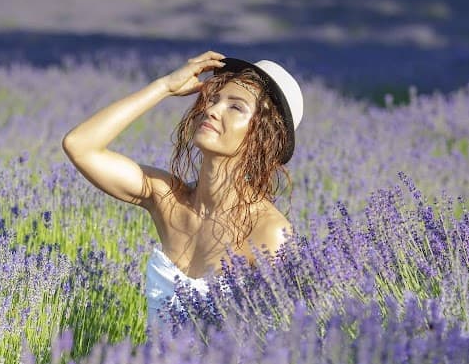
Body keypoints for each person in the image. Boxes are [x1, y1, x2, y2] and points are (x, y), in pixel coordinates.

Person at [62, 51, 303, 327]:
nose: (212, 110)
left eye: (236, 107)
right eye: (214, 99)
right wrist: (164, 86)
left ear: (264, 136)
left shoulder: (269, 233)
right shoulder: (167, 197)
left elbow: (279, 339)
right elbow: (79, 146)